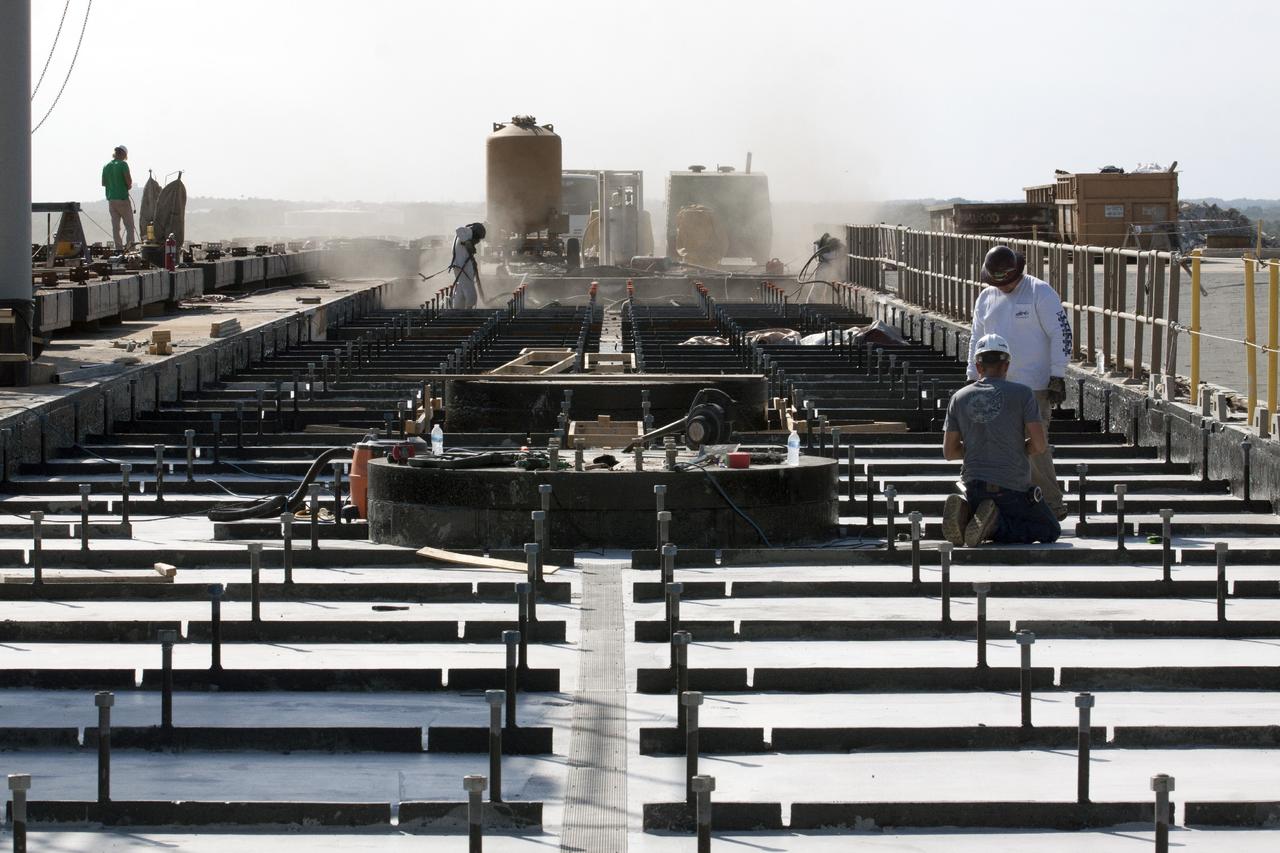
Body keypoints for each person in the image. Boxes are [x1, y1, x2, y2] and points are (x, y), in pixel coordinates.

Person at [966, 245, 1071, 520]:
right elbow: (976, 336)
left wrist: (1058, 373)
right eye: (998, 282)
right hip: (992, 385)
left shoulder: (1040, 292)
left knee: (1036, 446)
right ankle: (1001, 503)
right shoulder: (986, 298)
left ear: (1019, 272)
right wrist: (971, 376)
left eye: (1008, 281)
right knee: (992, 444)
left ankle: (1052, 505)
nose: (1004, 286)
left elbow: (1062, 333)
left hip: (1032, 387)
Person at [943, 333, 1061, 547]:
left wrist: (976, 448)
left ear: (978, 367)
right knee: (1049, 529)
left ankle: (971, 514)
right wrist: (1019, 448)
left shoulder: (958, 398)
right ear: (1006, 365)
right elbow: (1040, 444)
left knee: (991, 504)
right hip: (1012, 489)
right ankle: (994, 525)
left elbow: (949, 452)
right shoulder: (1023, 394)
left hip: (974, 487)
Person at [102, 145, 135, 251]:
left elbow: (103, 183)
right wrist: (127, 186)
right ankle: (130, 248)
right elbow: (128, 182)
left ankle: (118, 249)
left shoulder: (106, 166)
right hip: (122, 199)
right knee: (129, 226)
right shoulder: (123, 165)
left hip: (111, 200)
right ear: (124, 154)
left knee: (116, 228)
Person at [449, 223, 486, 309]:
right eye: (478, 238)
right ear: (476, 233)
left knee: (461, 289)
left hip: (460, 267)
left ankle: (457, 309)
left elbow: (465, 254)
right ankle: (469, 309)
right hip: (462, 268)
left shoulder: (464, 239)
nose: (478, 242)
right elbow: (459, 229)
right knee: (469, 289)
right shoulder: (468, 233)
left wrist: (472, 260)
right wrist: (467, 242)